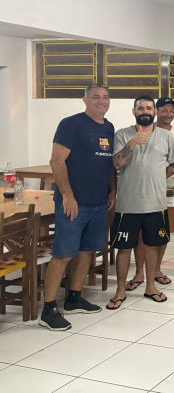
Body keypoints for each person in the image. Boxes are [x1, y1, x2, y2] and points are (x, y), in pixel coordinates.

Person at [39, 83, 115, 331]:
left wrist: (112, 191)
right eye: (95, 97)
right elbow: (56, 160)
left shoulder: (108, 127)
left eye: (105, 97)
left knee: (86, 251)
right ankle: (48, 309)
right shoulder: (71, 124)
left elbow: (108, 164)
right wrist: (67, 195)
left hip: (98, 203)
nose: (101, 101)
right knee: (63, 254)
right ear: (85, 100)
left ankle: (74, 298)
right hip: (73, 204)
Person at [107, 95, 174, 308]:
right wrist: (132, 143)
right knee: (123, 249)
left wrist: (158, 177)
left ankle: (150, 286)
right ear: (134, 111)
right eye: (141, 108)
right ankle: (120, 290)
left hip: (155, 204)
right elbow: (117, 162)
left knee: (152, 246)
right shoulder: (122, 134)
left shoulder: (166, 136)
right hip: (127, 204)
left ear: (154, 112)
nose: (145, 111)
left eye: (149, 108)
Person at [125, 96, 174, 290]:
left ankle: (156, 270)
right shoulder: (137, 131)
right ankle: (139, 272)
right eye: (164, 110)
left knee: (162, 232)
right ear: (157, 111)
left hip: (165, 188)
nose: (168, 114)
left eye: (171, 111)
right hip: (137, 192)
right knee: (141, 234)